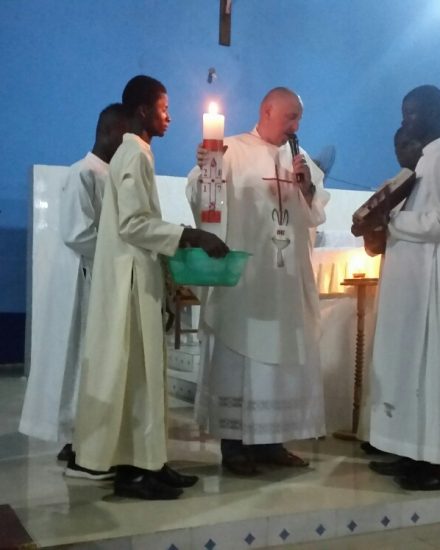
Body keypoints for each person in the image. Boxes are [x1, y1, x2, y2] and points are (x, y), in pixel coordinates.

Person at [72, 75, 228, 500]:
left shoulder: (137, 152)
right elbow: (133, 224)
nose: (169, 117)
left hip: (138, 277)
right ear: (143, 111)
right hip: (129, 283)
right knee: (133, 379)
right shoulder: (133, 154)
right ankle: (133, 472)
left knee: (146, 377)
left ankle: (151, 460)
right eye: (163, 109)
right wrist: (191, 236)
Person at [187, 87, 329, 475]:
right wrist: (207, 170)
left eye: (299, 118)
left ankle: (272, 442)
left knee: (280, 360)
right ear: (267, 111)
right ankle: (234, 448)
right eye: (290, 117)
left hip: (285, 282)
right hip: (246, 282)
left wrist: (306, 187)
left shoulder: (301, 160)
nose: (296, 126)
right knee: (239, 359)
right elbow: (203, 202)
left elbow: (315, 215)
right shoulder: (231, 150)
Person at [19, 104, 128, 473]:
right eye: (125, 135)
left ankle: (89, 435)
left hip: (101, 276)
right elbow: (78, 233)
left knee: (94, 360)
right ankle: (75, 437)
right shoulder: (83, 172)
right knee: (80, 358)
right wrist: (125, 251)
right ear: (109, 132)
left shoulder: (110, 174)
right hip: (83, 282)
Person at [368, 85, 440, 490]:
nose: (404, 121)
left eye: (412, 113)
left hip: (430, 284)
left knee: (430, 372)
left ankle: (434, 461)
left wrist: (392, 221)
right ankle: (413, 452)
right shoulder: (424, 160)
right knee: (408, 369)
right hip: (410, 281)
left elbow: (437, 222)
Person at [353, 126, 423, 457]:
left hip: (421, 282)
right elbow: (374, 245)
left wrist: (390, 222)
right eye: (397, 146)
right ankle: (386, 438)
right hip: (395, 281)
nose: (401, 151)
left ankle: (409, 445)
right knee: (389, 362)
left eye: (408, 143)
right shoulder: (395, 186)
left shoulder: (427, 181)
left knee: (412, 363)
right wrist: (371, 227)